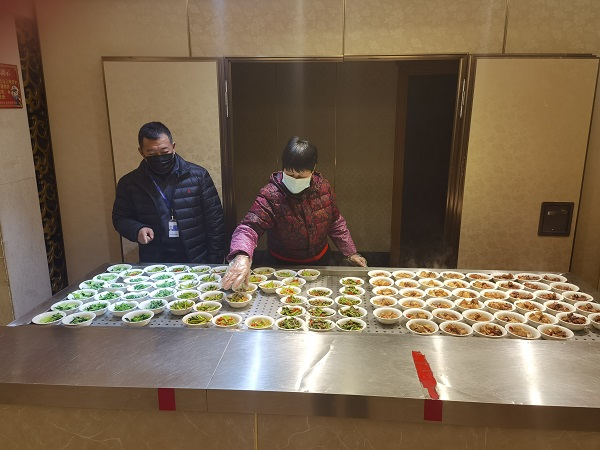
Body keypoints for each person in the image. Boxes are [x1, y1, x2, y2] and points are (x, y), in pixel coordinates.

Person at [221, 136, 367, 290]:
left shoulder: (324, 189)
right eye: (290, 174)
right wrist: (242, 255)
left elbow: (335, 222)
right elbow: (249, 227)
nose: (295, 179)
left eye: (301, 176)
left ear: (313, 169)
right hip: (281, 267)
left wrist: (351, 253)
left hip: (320, 263)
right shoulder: (271, 194)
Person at [112, 121, 226, 264]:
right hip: (154, 260)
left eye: (164, 152)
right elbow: (120, 218)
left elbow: (215, 222)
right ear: (141, 152)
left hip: (196, 258)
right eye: (152, 154)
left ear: (173, 147)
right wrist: (137, 230)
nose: (159, 157)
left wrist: (214, 261)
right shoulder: (129, 182)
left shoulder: (198, 176)